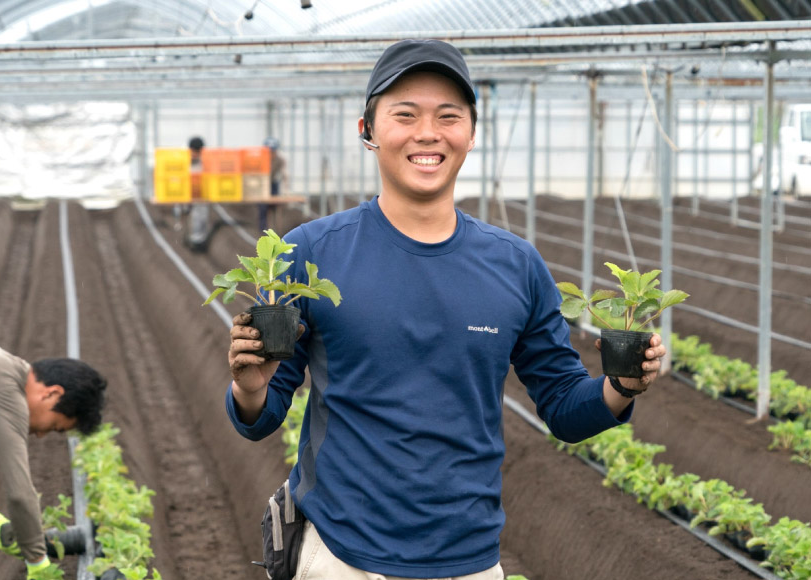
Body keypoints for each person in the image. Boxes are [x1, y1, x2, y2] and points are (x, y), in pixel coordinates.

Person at [224, 39, 667, 579]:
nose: (428, 133)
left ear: (471, 134)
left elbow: (562, 407)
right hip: (341, 558)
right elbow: (260, 418)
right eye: (404, 115)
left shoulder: (515, 265)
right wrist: (250, 387)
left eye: (448, 116)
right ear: (367, 131)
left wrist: (622, 386)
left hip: (469, 563)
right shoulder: (311, 253)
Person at [0, 327, 107, 579]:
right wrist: (39, 563)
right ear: (52, 394)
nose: (41, 435)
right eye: (54, 426)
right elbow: (19, 493)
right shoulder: (6, 392)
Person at [185, 136, 212, 252]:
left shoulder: (204, 162)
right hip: (188, 194)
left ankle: (199, 240)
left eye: (198, 150)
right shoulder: (186, 162)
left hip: (201, 194)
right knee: (192, 215)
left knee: (202, 216)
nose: (196, 153)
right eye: (194, 150)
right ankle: (192, 239)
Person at [258, 137, 287, 233]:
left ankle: (278, 231)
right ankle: (262, 230)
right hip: (262, 185)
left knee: (276, 209)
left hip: (273, 185)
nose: (271, 154)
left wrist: (286, 184)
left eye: (273, 151)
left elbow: (283, 174)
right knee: (263, 208)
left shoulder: (279, 160)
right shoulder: (261, 160)